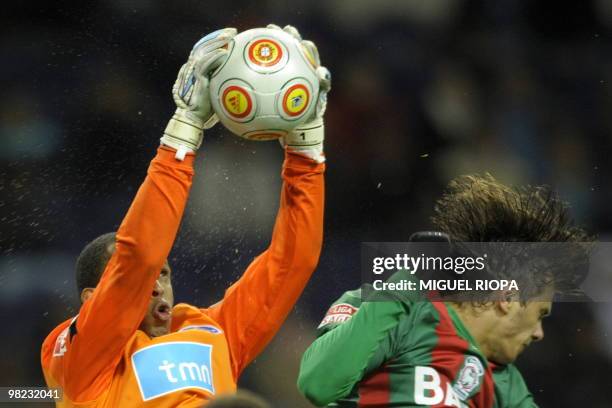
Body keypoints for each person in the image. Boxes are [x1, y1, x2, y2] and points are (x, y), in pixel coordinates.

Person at [41, 24, 330, 407]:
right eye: (142, 279)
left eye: (164, 273)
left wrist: (306, 151)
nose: (158, 283)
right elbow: (139, 254)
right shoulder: (81, 359)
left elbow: (293, 261)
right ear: (94, 299)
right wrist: (186, 127)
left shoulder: (212, 331)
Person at [298, 175, 590, 407]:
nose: (539, 332)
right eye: (540, 313)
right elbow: (319, 383)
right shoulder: (399, 311)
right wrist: (411, 279)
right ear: (508, 298)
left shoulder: (506, 385)